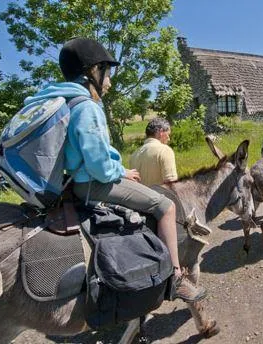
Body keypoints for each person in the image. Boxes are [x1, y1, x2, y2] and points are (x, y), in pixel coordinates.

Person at [22, 37, 205, 302]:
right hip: (93, 183)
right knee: (165, 206)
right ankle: (176, 277)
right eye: (107, 73)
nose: (109, 82)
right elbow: (98, 164)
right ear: (93, 71)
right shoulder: (87, 106)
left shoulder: (64, 100)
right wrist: (120, 173)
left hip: (74, 183)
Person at [129, 117, 178, 187]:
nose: (169, 139)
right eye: (168, 134)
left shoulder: (134, 154)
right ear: (161, 132)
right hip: (160, 197)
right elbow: (171, 183)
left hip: (138, 197)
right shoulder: (164, 150)